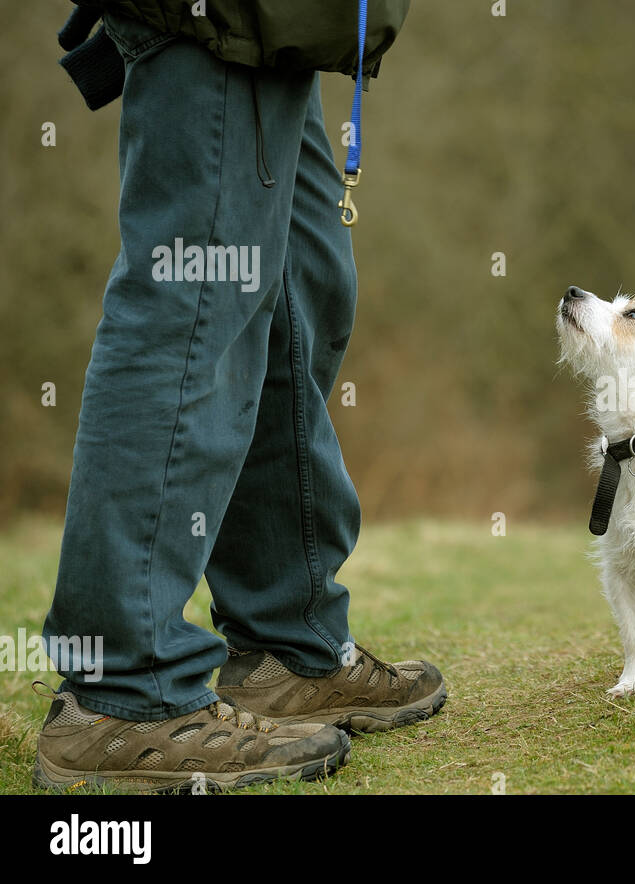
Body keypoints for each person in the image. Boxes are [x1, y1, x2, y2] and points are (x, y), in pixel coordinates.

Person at [35, 0, 443, 792]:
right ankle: (124, 690)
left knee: (301, 293)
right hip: (219, 17)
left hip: (274, 25)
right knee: (191, 313)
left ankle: (284, 645)